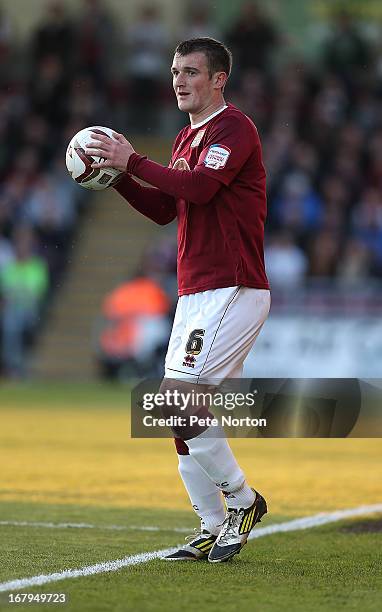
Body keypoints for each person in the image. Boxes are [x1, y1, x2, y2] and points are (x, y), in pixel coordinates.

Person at [86, 38, 271, 563]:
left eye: (191, 71)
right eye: (174, 72)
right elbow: (168, 208)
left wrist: (133, 158)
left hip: (234, 284)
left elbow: (203, 190)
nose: (179, 81)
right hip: (196, 292)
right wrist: (117, 176)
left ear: (219, 80)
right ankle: (213, 524)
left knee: (175, 397)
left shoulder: (233, 128)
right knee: (177, 410)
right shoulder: (185, 140)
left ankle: (241, 500)